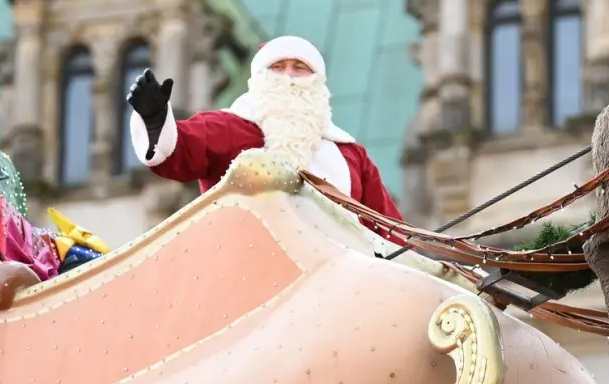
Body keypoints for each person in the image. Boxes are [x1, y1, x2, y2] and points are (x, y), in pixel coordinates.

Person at [125, 35, 405, 244]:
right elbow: (180, 151)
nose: (288, 76)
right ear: (259, 77)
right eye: (278, 66)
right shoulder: (231, 128)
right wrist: (156, 119)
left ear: (318, 81)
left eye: (300, 67)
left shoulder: (350, 155)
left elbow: (389, 229)